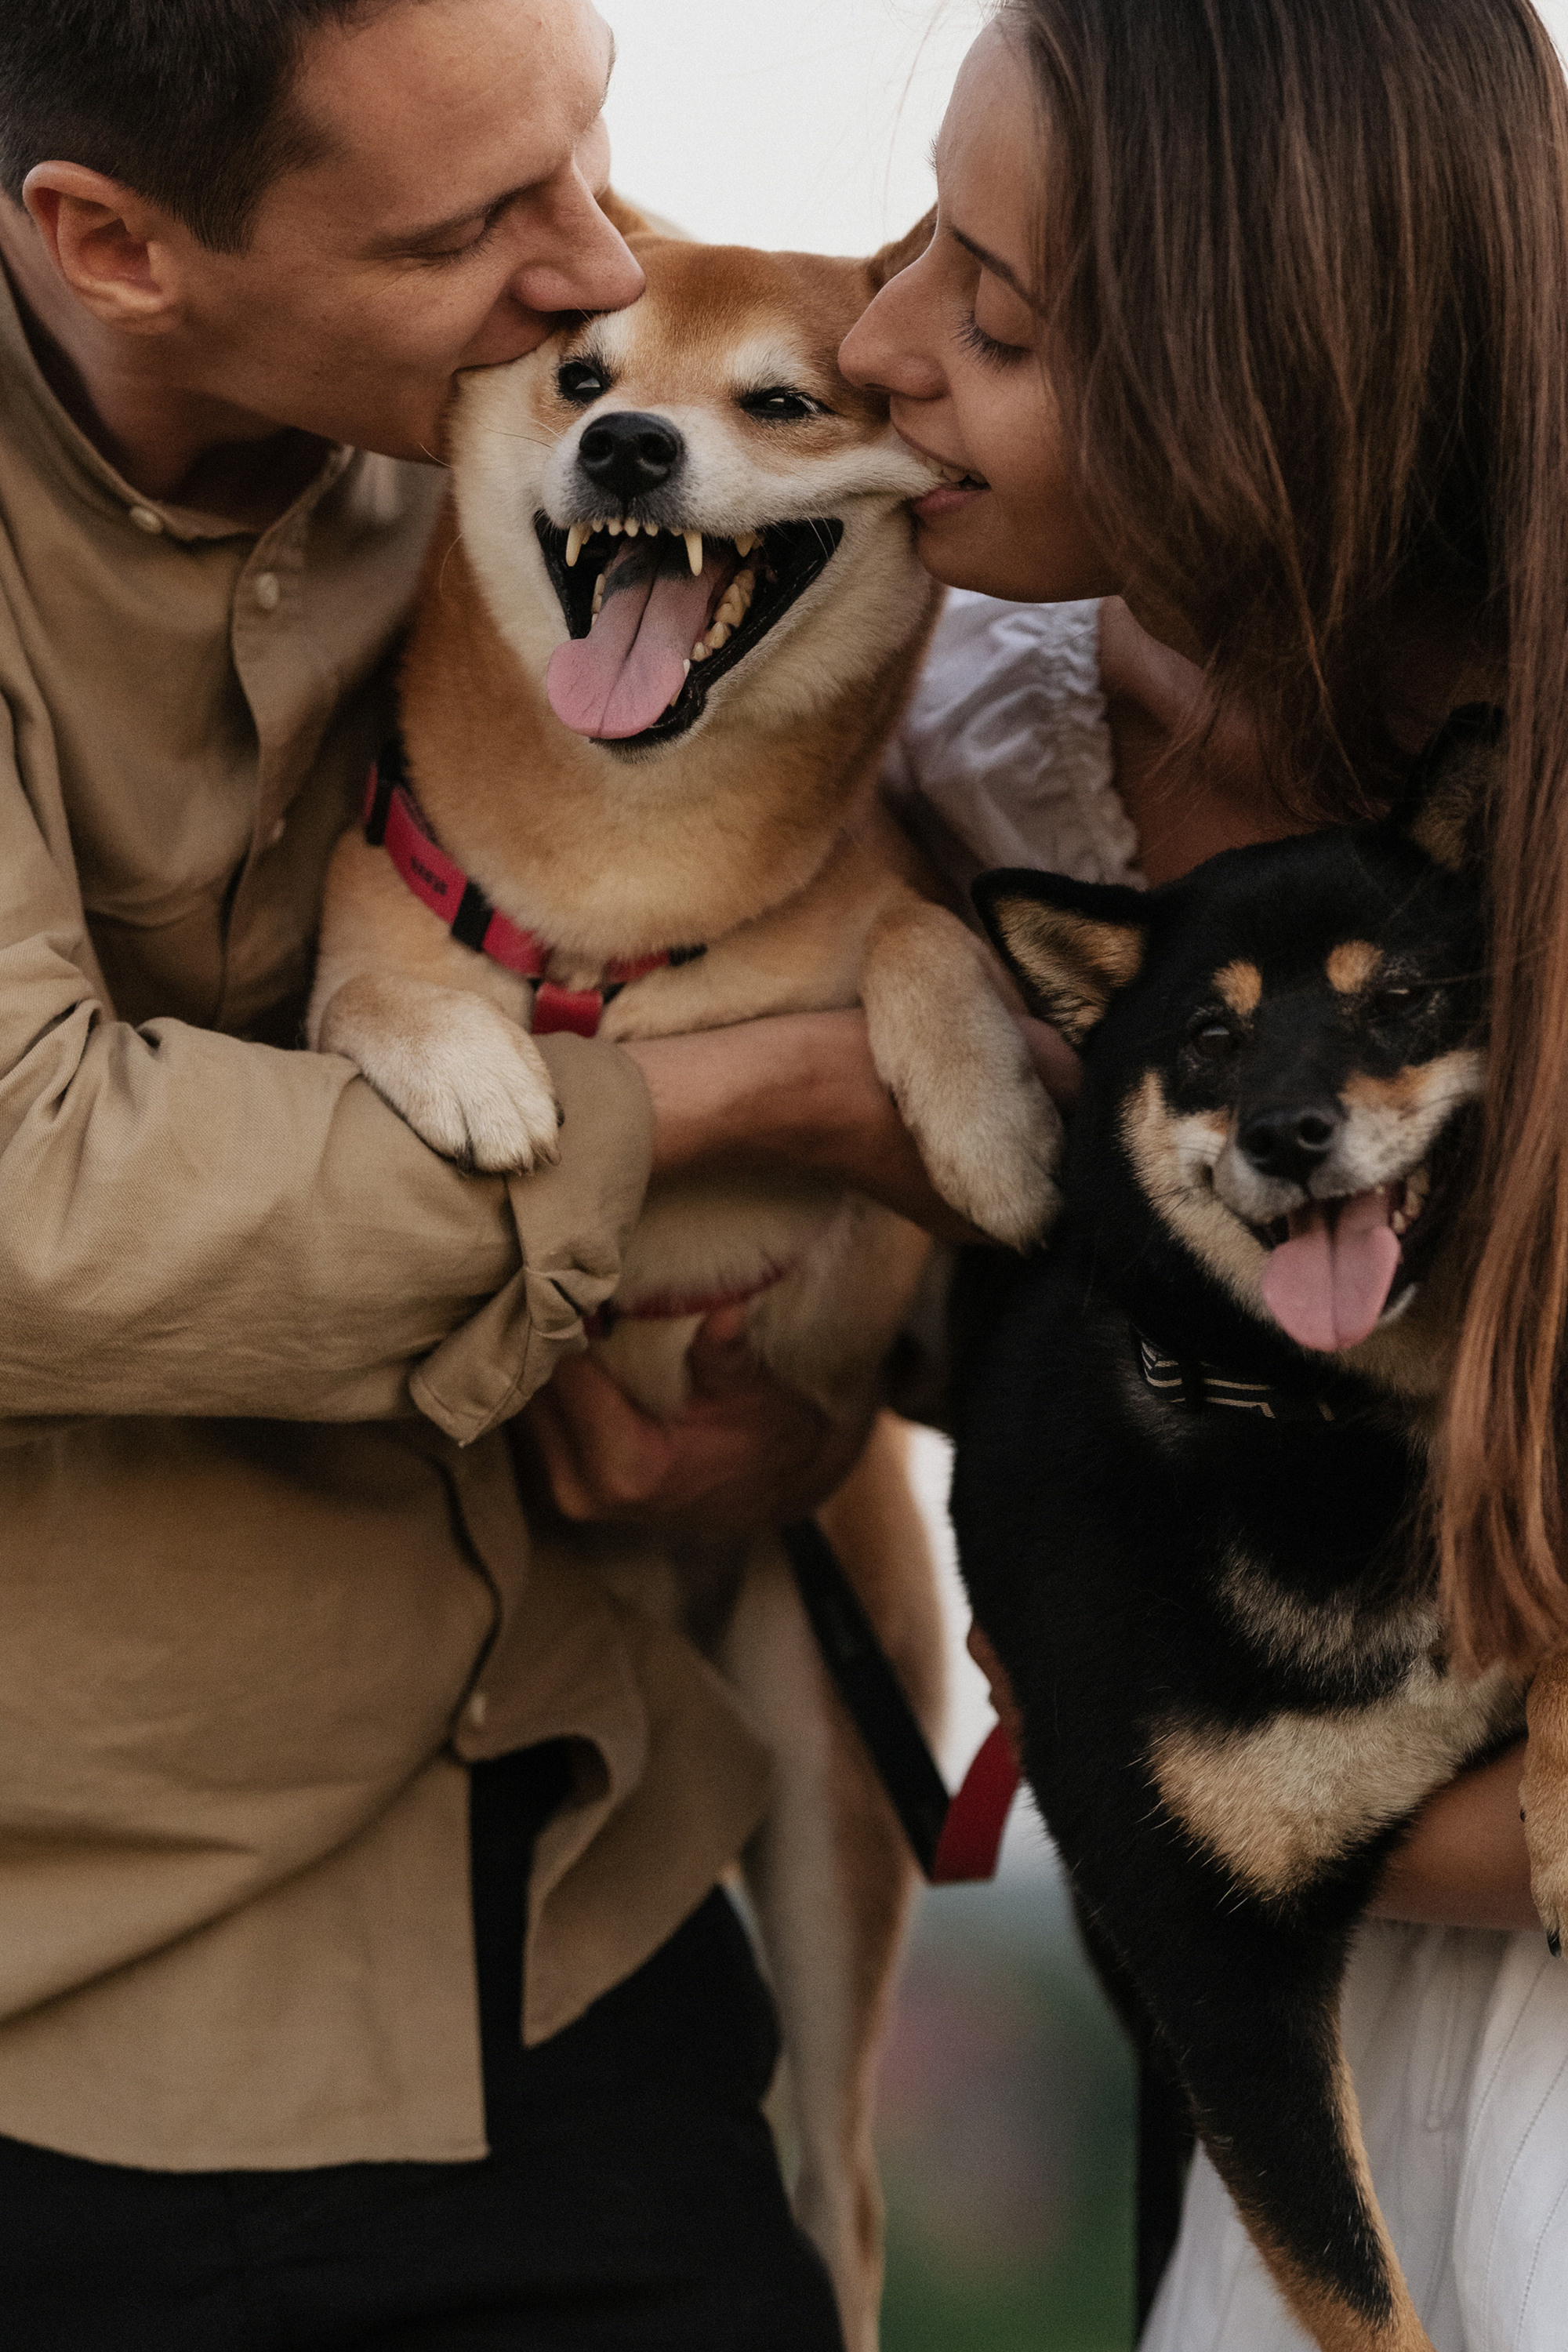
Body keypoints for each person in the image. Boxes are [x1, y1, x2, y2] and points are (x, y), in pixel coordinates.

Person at [0, 2, 977, 2343]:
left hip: (582, 1884)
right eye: (471, 227)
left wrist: (826, 1363)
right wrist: (739, 1115)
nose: (588, 265)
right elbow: (41, 1207)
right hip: (94, 1994)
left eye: (588, 145)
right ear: (114, 246)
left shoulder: (566, 470)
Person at [840, 2, 1568, 2346]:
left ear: (1263, 396)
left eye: (995, 311)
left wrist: (1132, 1729)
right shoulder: (993, 723)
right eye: (910, 240)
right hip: (1324, 2077)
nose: (875, 348)